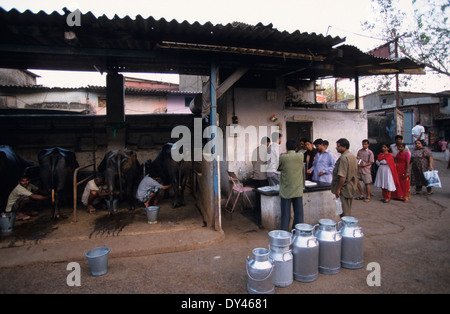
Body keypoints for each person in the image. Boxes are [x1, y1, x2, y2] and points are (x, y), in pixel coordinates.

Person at [278, 139, 304, 231]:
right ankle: (298, 232)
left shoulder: (283, 158)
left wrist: (283, 155)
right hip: (297, 189)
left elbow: (279, 167)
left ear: (286, 147)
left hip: (286, 190)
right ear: (296, 148)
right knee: (299, 214)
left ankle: (284, 233)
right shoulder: (301, 156)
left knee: (286, 214)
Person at [331, 138, 358, 217]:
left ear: (344, 147)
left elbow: (342, 176)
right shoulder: (352, 156)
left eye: (338, 146)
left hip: (344, 188)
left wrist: (338, 189)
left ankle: (346, 228)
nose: (336, 148)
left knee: (344, 212)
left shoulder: (344, 158)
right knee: (347, 208)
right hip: (351, 186)